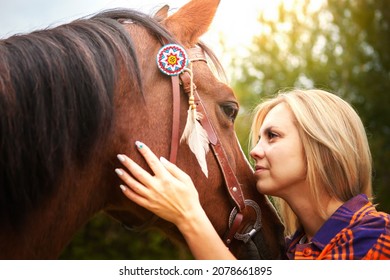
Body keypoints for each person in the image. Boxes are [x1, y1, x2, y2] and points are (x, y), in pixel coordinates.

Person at [114, 89, 390, 260]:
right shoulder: (291, 252)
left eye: (272, 136)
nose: (256, 151)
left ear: (322, 145)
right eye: (258, 138)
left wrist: (189, 216)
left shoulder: (377, 236)